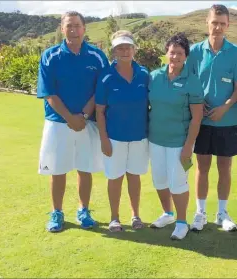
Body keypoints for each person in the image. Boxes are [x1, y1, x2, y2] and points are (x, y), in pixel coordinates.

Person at [37, 11, 109, 232]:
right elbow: (49, 92)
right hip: (59, 122)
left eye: (77, 26)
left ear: (84, 28)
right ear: (62, 28)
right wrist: (70, 118)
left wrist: (84, 116)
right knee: (57, 170)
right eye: (69, 26)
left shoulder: (97, 56)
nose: (73, 30)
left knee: (84, 168)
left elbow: (101, 89)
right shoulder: (50, 55)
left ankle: (83, 210)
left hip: (87, 122)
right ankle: (57, 213)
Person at [186, 4, 237, 232]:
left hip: (227, 120)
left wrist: (225, 107)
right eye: (214, 23)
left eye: (222, 23)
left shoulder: (236, 52)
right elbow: (190, 81)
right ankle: (200, 213)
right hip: (200, 121)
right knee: (202, 167)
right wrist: (198, 102)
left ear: (228, 25)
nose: (218, 27)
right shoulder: (195, 51)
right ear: (207, 23)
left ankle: (222, 213)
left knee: (225, 167)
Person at [147, 33, 204, 240]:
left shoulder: (192, 81)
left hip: (179, 142)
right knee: (160, 180)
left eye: (180, 53)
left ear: (186, 56)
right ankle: (168, 214)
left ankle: (181, 222)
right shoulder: (154, 77)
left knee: (178, 182)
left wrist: (189, 146)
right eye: (172, 52)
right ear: (166, 53)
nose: (175, 57)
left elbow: (197, 117)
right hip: (155, 139)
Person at [95, 30, 149, 232]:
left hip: (139, 137)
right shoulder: (106, 77)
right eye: (120, 48)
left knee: (134, 177)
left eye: (128, 47)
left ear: (134, 49)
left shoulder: (144, 74)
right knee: (115, 177)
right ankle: (115, 218)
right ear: (114, 51)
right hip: (114, 138)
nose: (125, 51)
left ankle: (135, 216)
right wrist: (104, 139)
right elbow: (100, 111)